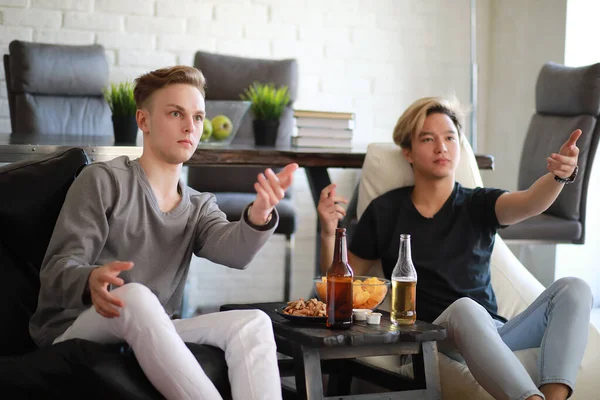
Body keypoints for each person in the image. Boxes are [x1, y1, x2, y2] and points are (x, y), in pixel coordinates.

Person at [29, 65, 298, 400]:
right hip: (77, 327)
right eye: (176, 113)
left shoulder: (199, 205)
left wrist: (259, 214)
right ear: (144, 121)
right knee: (135, 295)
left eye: (199, 117)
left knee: (253, 323)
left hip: (154, 327)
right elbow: (57, 268)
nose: (190, 126)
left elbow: (235, 252)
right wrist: (91, 279)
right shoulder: (102, 181)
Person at [318, 97, 592, 400]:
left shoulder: (479, 204)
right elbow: (340, 285)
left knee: (574, 288)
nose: (442, 147)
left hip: (492, 333)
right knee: (465, 308)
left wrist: (560, 176)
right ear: (407, 152)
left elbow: (531, 201)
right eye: (428, 138)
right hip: (434, 336)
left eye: (450, 137)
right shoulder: (385, 211)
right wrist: (329, 232)